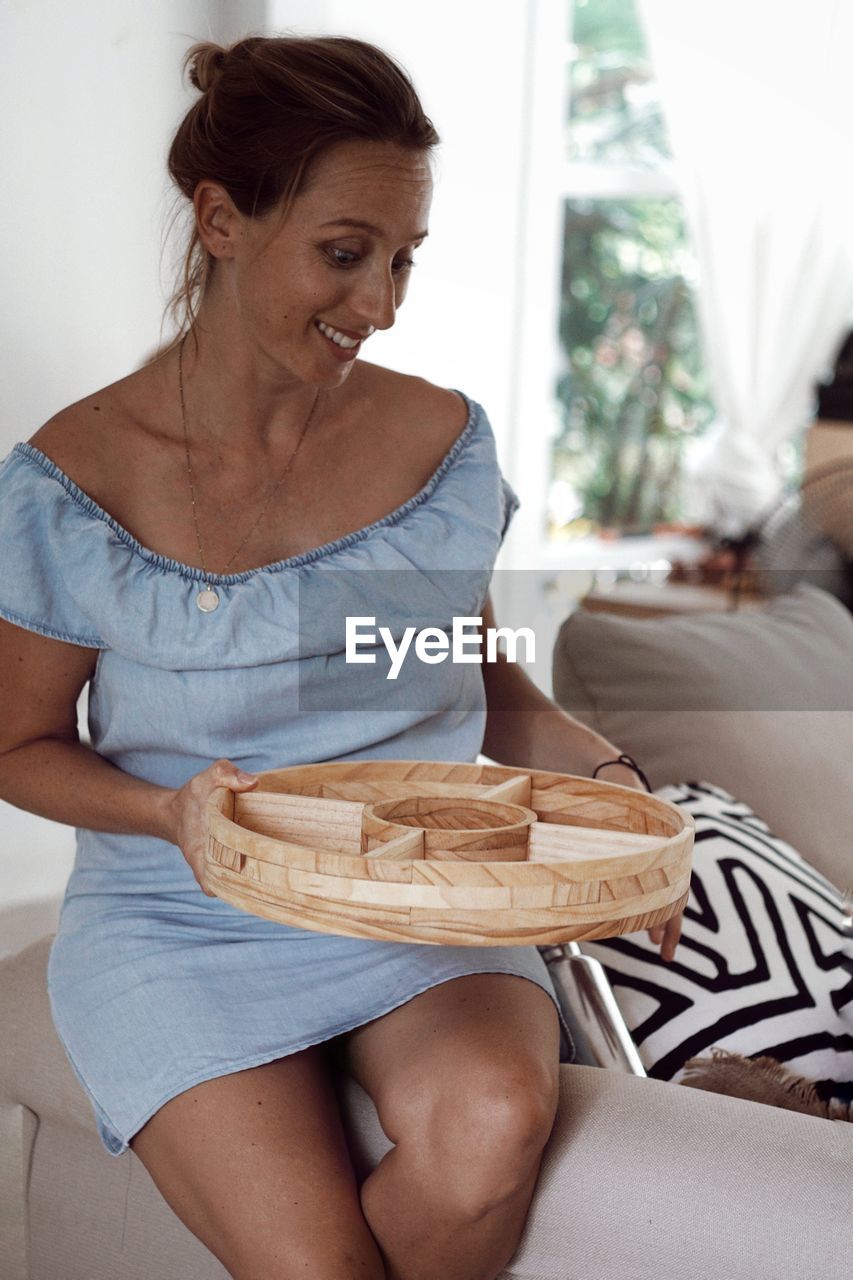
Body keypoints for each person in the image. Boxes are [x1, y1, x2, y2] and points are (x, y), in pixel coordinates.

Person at [0, 34, 681, 1280]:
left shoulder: (440, 449)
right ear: (219, 220)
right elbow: (17, 743)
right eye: (344, 253)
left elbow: (482, 690)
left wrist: (625, 798)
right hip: (182, 908)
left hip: (420, 898)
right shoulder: (73, 479)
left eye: (405, 260)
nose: (380, 305)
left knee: (489, 1124)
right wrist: (170, 810)